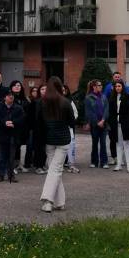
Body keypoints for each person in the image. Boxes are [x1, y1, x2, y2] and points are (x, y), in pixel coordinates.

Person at [37, 77, 75, 212]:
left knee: (54, 169)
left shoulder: (42, 102)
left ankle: (56, 202)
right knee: (56, 170)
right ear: (60, 87)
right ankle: (50, 201)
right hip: (63, 140)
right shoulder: (65, 102)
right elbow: (72, 122)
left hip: (49, 140)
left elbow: (39, 123)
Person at [0, 86, 24, 183]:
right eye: (8, 95)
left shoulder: (18, 108)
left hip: (13, 135)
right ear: (4, 97)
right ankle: (0, 175)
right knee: (2, 156)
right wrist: (4, 123)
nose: (11, 97)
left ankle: (11, 175)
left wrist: (13, 122)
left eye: (12, 95)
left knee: (11, 157)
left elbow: (22, 119)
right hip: (2, 135)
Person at [103, 73, 129, 165]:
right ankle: (114, 157)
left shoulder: (126, 90)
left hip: (122, 120)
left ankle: (121, 158)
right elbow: (104, 100)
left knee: (122, 140)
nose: (118, 87)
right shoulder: (109, 91)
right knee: (113, 139)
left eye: (118, 77)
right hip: (112, 120)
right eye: (115, 77)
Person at [84, 80, 109, 169]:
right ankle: (94, 161)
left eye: (101, 85)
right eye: (99, 85)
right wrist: (97, 122)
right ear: (94, 87)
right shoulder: (88, 98)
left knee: (103, 143)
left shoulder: (104, 97)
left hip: (103, 124)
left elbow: (106, 110)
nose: (101, 86)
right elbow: (89, 112)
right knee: (95, 143)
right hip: (94, 125)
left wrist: (103, 120)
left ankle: (104, 162)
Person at [114, 83, 129, 173]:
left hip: (127, 124)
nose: (117, 88)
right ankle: (119, 164)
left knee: (127, 145)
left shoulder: (128, 97)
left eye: (119, 86)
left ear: (122, 87)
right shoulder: (112, 98)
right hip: (116, 125)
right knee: (118, 145)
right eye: (116, 86)